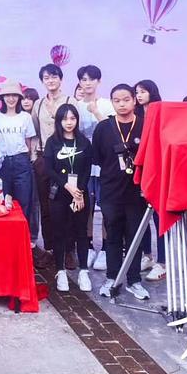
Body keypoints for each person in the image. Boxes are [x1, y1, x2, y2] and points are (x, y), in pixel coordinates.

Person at [91, 84, 149, 301]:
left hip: (137, 191)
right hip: (110, 190)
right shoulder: (103, 128)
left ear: (134, 100)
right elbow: (97, 158)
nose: (122, 104)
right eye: (117, 100)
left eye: (126, 99)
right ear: (112, 102)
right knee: (113, 236)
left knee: (135, 237)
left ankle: (134, 281)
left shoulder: (145, 125)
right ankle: (112, 278)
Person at [45, 103, 93, 293]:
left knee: (81, 232)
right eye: (65, 119)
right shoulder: (52, 142)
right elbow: (49, 169)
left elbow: (87, 169)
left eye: (72, 118)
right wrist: (67, 186)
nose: (69, 122)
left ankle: (84, 272)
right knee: (59, 232)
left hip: (79, 195)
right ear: (59, 121)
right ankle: (61, 271)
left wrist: (79, 192)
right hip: (59, 194)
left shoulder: (84, 142)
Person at [75, 64, 115, 272]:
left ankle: (107, 249)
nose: (87, 83)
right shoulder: (76, 106)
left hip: (105, 165)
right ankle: (88, 245)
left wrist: (97, 111)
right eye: (83, 79)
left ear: (99, 81)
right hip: (84, 165)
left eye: (91, 79)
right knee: (86, 206)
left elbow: (112, 131)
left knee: (106, 207)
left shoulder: (107, 104)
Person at [34, 64, 74, 266]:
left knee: (67, 203)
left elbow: (76, 128)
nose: (50, 80)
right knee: (46, 205)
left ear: (60, 79)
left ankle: (68, 250)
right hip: (43, 158)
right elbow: (34, 131)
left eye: (54, 76)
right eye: (46, 77)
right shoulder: (38, 104)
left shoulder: (70, 101)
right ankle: (50, 248)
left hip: (66, 157)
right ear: (43, 81)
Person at [0, 82, 38, 242]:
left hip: (21, 161)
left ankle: (23, 239)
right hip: (2, 162)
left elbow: (29, 141)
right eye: (7, 95)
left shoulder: (25, 117)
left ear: (19, 98)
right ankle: (4, 238)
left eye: (14, 95)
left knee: (24, 202)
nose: (11, 99)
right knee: (2, 201)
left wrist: (28, 159)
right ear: (2, 98)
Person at [134, 79, 164, 280]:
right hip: (140, 169)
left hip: (157, 171)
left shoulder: (160, 112)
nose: (139, 95)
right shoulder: (135, 116)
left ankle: (162, 262)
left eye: (143, 91)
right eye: (137, 92)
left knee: (159, 219)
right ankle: (147, 256)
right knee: (140, 217)